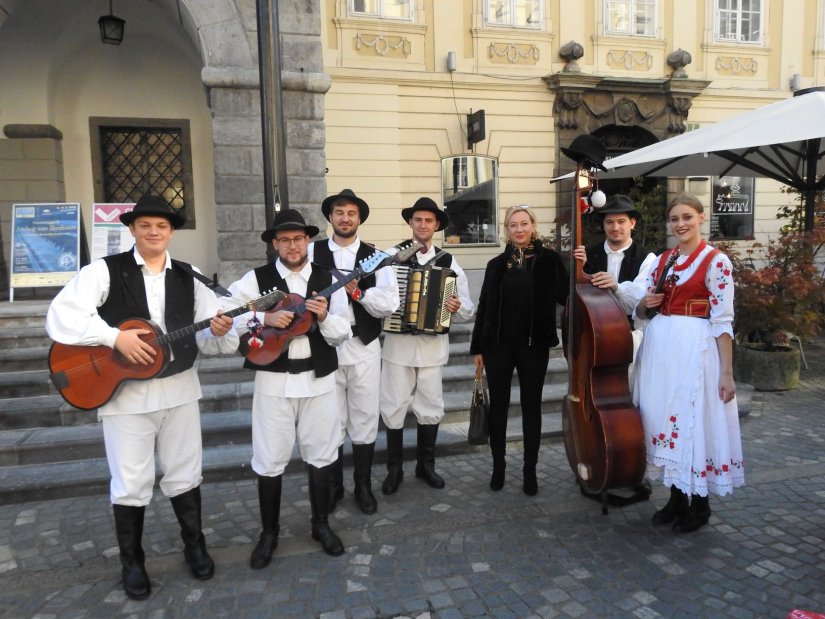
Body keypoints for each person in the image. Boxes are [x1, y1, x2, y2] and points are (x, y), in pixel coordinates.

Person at [45, 195, 238, 600]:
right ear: (132, 229)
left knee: (185, 471)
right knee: (132, 480)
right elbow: (61, 315)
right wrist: (113, 337)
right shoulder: (103, 271)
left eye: (162, 226)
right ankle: (132, 562)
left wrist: (218, 332)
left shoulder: (191, 276)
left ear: (171, 232)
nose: (154, 232)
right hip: (126, 396)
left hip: (180, 389)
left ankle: (194, 545)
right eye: (146, 225)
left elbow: (209, 338)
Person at [226, 209, 351, 567]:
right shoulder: (257, 279)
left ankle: (321, 524)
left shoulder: (328, 279)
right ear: (275, 244)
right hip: (274, 381)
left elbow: (343, 332)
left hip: (319, 379)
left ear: (307, 241)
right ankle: (269, 534)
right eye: (285, 240)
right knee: (269, 457)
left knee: (323, 453)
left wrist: (325, 316)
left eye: (298, 239)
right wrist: (263, 317)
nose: (292, 245)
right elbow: (228, 315)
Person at [633, 193, 744, 533]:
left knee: (691, 420)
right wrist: (645, 303)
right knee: (662, 417)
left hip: (695, 348)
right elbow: (641, 309)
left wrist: (726, 373)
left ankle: (700, 503)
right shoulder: (664, 259)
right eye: (675, 218)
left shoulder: (716, 261)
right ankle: (677, 496)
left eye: (687, 217)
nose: (681, 224)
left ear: (701, 218)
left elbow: (723, 321)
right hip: (661, 348)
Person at [308, 189, 399, 515]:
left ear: (359, 218)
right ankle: (333, 486)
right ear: (330, 217)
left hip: (363, 345)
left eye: (351, 213)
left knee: (363, 416)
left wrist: (359, 293)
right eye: (339, 212)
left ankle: (362, 484)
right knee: (330, 418)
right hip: (325, 346)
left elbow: (390, 303)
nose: (345, 218)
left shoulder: (376, 256)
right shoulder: (310, 252)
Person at [470, 205, 568, 495]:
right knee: (499, 408)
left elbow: (566, 294)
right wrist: (477, 347)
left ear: (533, 226)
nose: (519, 229)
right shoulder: (496, 265)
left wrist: (582, 267)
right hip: (498, 347)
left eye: (524, 223)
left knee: (531, 408)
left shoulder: (550, 260)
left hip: (533, 346)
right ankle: (498, 467)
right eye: (513, 225)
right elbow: (485, 307)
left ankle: (530, 471)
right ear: (507, 230)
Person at [379, 197, 474, 494]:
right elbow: (378, 302)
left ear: (436, 226)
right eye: (418, 220)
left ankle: (426, 465)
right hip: (397, 346)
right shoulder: (391, 256)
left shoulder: (448, 261)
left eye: (428, 221)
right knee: (393, 406)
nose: (422, 225)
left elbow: (469, 308)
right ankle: (394, 469)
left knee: (431, 406)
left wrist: (456, 306)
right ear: (410, 223)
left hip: (433, 349)